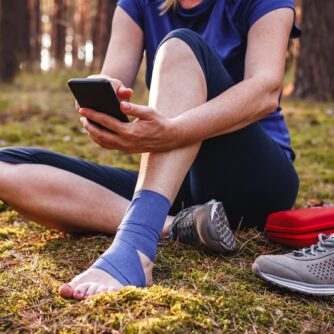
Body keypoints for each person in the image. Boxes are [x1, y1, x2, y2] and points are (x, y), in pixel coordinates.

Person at [0, 0, 300, 300]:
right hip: (178, 184)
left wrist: (175, 130)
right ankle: (178, 226)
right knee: (6, 167)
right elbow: (111, 75)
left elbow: (266, 90)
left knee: (180, 46)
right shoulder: (137, 4)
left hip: (254, 177)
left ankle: (135, 244)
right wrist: (102, 95)